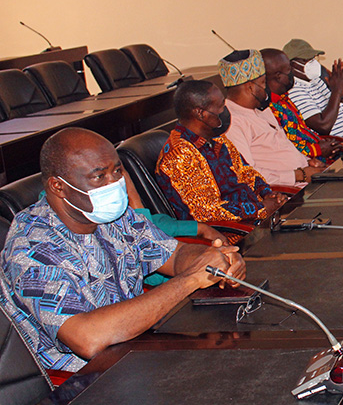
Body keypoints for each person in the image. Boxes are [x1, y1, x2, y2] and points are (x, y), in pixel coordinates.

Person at [0, 128, 245, 375]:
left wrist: (215, 261)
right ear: (58, 186)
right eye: (99, 177)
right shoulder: (33, 246)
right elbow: (87, 338)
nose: (114, 184)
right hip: (82, 381)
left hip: (138, 348)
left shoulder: (113, 216)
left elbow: (174, 255)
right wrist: (190, 280)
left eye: (117, 171)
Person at [156, 79, 289, 223]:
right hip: (230, 235)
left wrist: (267, 194)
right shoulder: (179, 156)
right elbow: (207, 211)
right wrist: (261, 209)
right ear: (201, 113)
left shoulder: (216, 138)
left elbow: (245, 172)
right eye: (220, 106)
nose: (225, 111)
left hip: (258, 220)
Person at [219, 49, 326, 186]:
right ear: (250, 87)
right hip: (291, 193)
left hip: (307, 179)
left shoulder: (262, 109)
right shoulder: (232, 122)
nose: (267, 87)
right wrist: (300, 175)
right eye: (263, 82)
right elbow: (248, 174)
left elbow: (281, 149)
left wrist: (307, 161)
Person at [261, 48, 343, 162]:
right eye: (289, 69)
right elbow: (289, 146)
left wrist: (322, 143)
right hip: (312, 163)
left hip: (324, 149)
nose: (292, 73)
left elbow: (303, 132)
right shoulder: (270, 108)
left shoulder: (283, 99)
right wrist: (319, 149)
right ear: (278, 76)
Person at [282, 38, 343, 142]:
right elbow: (323, 127)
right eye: (306, 59)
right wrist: (336, 91)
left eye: (313, 58)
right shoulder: (294, 90)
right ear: (292, 64)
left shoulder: (316, 81)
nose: (312, 62)